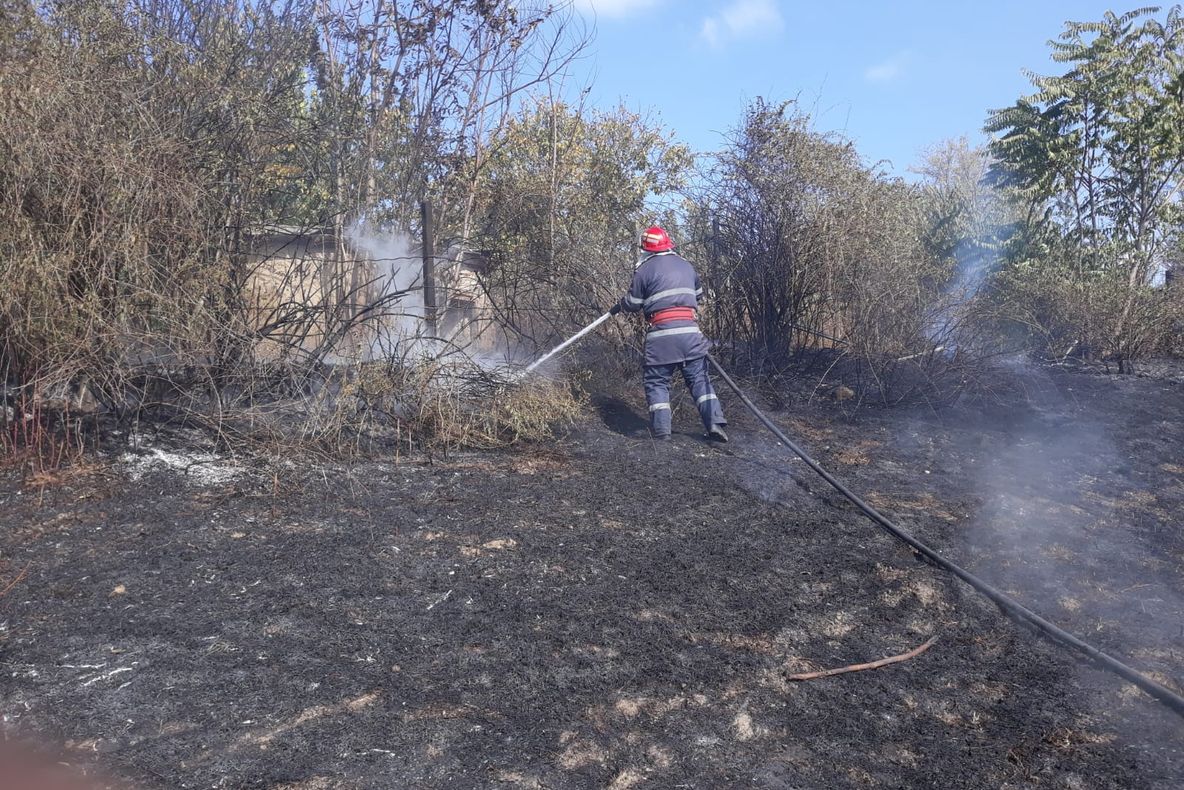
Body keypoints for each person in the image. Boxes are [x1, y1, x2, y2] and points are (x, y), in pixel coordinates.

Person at [609, 226, 728, 442]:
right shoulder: (686, 265)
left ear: (645, 248)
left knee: (656, 381)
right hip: (691, 334)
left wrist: (622, 304)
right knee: (699, 379)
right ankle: (714, 423)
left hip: (662, 336)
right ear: (667, 244)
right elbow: (698, 296)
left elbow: (634, 304)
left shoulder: (644, 270)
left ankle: (663, 432)